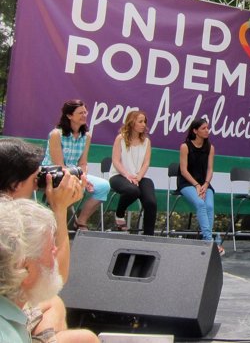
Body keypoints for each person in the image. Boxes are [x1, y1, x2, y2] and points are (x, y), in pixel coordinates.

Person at [0, 140, 97, 343]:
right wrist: (60, 209)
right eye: (36, 180)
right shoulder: (10, 227)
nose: (39, 186)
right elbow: (55, 276)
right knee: (85, 339)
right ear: (14, 185)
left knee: (55, 303)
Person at [42, 99, 111, 230]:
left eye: (85, 112)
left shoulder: (86, 136)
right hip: (53, 173)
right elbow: (59, 165)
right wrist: (78, 179)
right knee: (73, 185)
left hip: (74, 173)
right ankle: (54, 224)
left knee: (103, 186)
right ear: (69, 116)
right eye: (80, 113)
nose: (84, 115)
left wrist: (83, 177)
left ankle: (80, 222)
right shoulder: (56, 134)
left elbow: (83, 162)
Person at [178, 118, 223, 256]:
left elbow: (210, 169)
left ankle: (206, 240)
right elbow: (183, 170)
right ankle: (209, 241)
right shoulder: (185, 146)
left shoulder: (210, 147)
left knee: (209, 206)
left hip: (205, 183)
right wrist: (196, 185)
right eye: (203, 128)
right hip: (187, 183)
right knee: (200, 203)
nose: (207, 130)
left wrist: (205, 184)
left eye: (207, 128)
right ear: (195, 131)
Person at [109, 110, 157, 235]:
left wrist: (138, 177)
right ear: (132, 123)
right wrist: (127, 175)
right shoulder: (121, 138)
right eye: (140, 121)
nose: (143, 125)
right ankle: (119, 214)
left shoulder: (146, 141)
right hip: (119, 175)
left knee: (150, 202)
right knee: (133, 191)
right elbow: (116, 160)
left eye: (145, 122)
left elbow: (146, 163)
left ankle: (148, 237)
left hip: (138, 177)